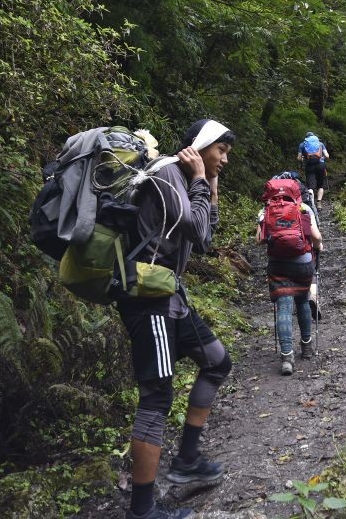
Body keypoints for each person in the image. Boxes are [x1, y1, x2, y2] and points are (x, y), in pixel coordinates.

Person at [118, 119, 235, 519]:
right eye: (221, 150)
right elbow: (198, 228)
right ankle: (142, 509)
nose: (224, 158)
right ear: (200, 146)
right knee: (156, 398)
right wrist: (202, 180)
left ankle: (186, 460)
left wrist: (209, 186)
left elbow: (203, 240)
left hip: (169, 298)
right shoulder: (169, 173)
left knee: (218, 362)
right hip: (147, 301)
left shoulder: (186, 179)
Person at [256, 181, 323, 375]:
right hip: (303, 264)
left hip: (278, 264)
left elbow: (260, 239)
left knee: (283, 306)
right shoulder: (304, 208)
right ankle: (307, 348)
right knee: (302, 302)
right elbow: (316, 238)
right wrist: (318, 247)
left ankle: (287, 358)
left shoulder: (266, 210)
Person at [296, 132, 329, 204]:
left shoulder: (302, 144)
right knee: (320, 185)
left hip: (309, 166)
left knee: (310, 186)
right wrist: (322, 157)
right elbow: (327, 156)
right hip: (320, 165)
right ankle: (319, 203)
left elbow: (299, 158)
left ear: (306, 138)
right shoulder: (320, 144)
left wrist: (302, 159)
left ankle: (311, 202)